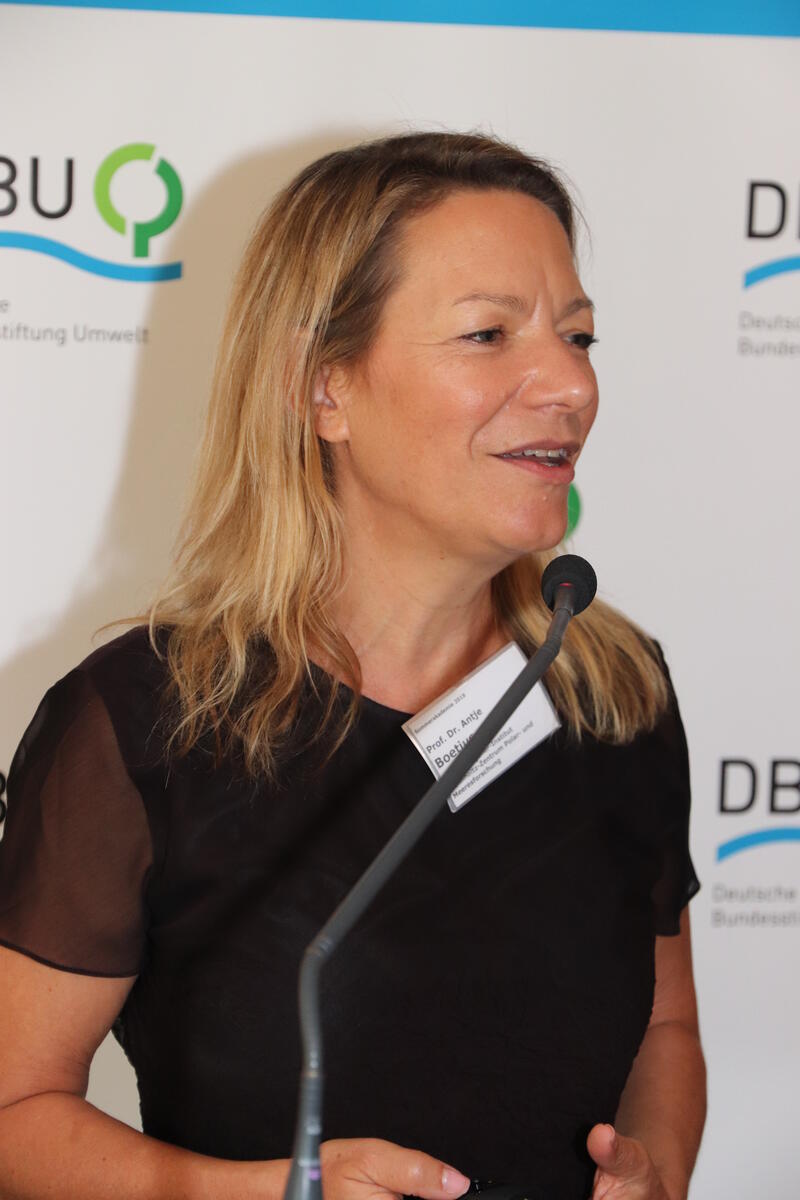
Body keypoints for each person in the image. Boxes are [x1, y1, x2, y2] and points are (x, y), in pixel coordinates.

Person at [0, 131, 705, 1200]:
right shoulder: (146, 723)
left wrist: (657, 1172)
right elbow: (14, 1110)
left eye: (578, 336)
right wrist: (260, 1194)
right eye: (487, 334)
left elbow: (664, 1030)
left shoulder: (612, 693)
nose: (570, 383)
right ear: (321, 386)